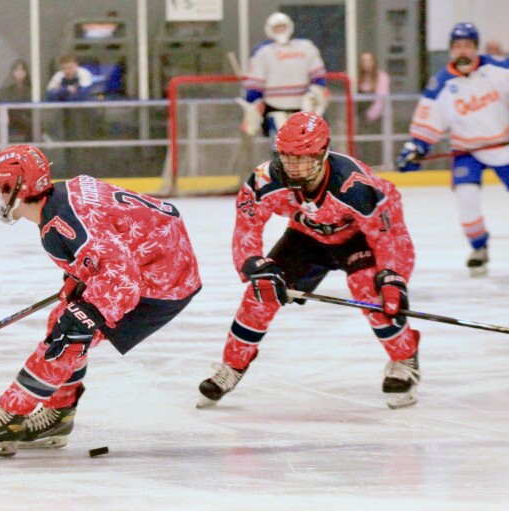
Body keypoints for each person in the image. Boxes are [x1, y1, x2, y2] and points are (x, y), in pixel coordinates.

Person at [0, 144, 202, 457]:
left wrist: (87, 312)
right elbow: (108, 242)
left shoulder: (65, 224)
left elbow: (122, 280)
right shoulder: (58, 204)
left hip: (162, 279)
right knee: (64, 320)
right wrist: (80, 278)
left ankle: (10, 416)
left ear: (21, 187)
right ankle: (57, 416)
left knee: (69, 332)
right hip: (152, 259)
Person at [198, 112, 421, 411]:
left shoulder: (355, 185)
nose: (293, 166)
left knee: (371, 290)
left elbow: (388, 234)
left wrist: (393, 276)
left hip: (357, 239)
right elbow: (247, 224)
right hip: (306, 235)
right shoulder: (266, 179)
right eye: (287, 157)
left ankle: (404, 357)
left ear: (322, 153)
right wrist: (252, 264)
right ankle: (233, 365)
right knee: (259, 295)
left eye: (302, 158)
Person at [396, 22, 509, 277]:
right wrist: (415, 149)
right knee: (466, 198)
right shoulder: (441, 84)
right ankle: (479, 248)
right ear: (450, 50)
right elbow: (426, 123)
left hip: (504, 147)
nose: (463, 51)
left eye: (468, 45)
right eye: (457, 46)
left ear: (476, 47)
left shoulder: (499, 68)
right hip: (466, 151)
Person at [238, 12, 328, 146]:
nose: (280, 30)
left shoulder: (306, 48)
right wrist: (251, 105)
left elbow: (319, 78)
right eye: (276, 27)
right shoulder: (263, 52)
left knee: (310, 145)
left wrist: (317, 93)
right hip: (275, 109)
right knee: (280, 147)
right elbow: (255, 86)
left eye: (282, 26)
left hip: (304, 108)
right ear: (269, 29)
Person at [356, 52, 391, 166]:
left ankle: (379, 165)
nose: (366, 64)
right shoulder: (359, 78)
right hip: (362, 117)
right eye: (364, 61)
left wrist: (370, 116)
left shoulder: (381, 77)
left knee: (376, 145)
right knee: (363, 144)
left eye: (369, 60)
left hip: (377, 118)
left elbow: (381, 100)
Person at [0, 59, 32, 141]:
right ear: (13, 71)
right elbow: (5, 102)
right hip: (11, 117)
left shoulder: (27, 87)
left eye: (22, 70)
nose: (20, 72)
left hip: (24, 116)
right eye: (17, 70)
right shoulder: (7, 86)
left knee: (34, 122)